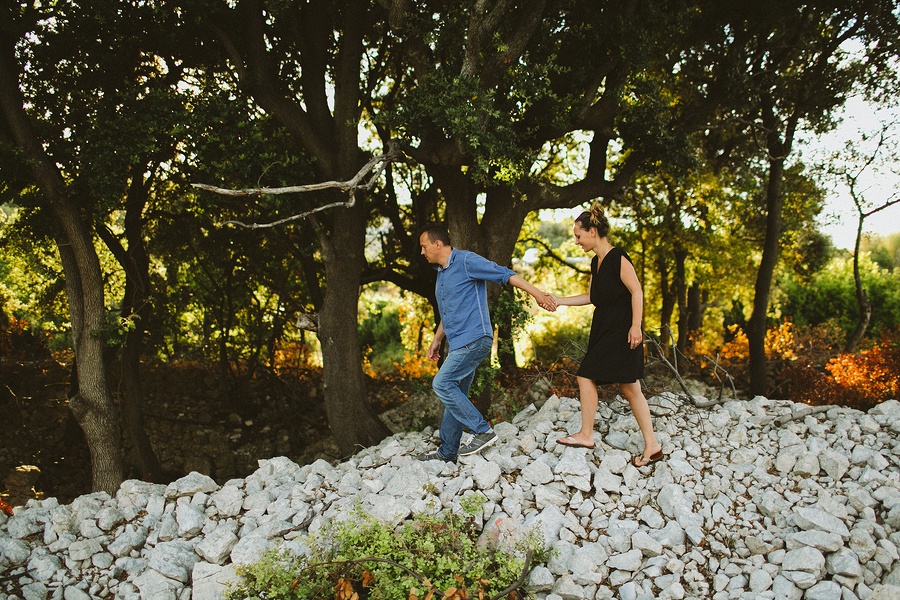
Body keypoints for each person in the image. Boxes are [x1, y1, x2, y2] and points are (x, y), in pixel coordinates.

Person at [417, 223, 557, 462]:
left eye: (424, 246)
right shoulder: (441, 274)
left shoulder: (466, 261)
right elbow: (448, 313)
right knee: (455, 393)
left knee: (442, 383)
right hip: (458, 343)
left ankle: (482, 431)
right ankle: (447, 452)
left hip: (475, 338)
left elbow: (505, 274)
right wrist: (436, 340)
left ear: (437, 244)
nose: (422, 252)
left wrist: (537, 294)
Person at [550, 203, 663, 467]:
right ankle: (653, 446)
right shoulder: (596, 262)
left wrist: (636, 326)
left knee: (585, 374)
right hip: (604, 326)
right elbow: (592, 297)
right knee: (629, 387)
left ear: (592, 231)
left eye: (578, 235)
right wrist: (560, 300)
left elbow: (637, 291)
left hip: (622, 328)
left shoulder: (618, 257)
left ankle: (586, 434)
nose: (576, 241)